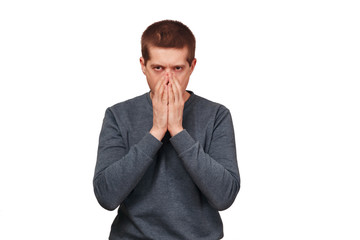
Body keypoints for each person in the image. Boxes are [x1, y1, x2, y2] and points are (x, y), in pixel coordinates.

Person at [93, 19, 240, 240]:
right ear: (143, 66)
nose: (168, 80)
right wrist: (156, 131)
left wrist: (178, 131)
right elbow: (106, 197)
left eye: (178, 68)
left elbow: (224, 197)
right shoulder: (118, 115)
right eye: (158, 68)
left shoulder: (217, 115)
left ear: (192, 66)